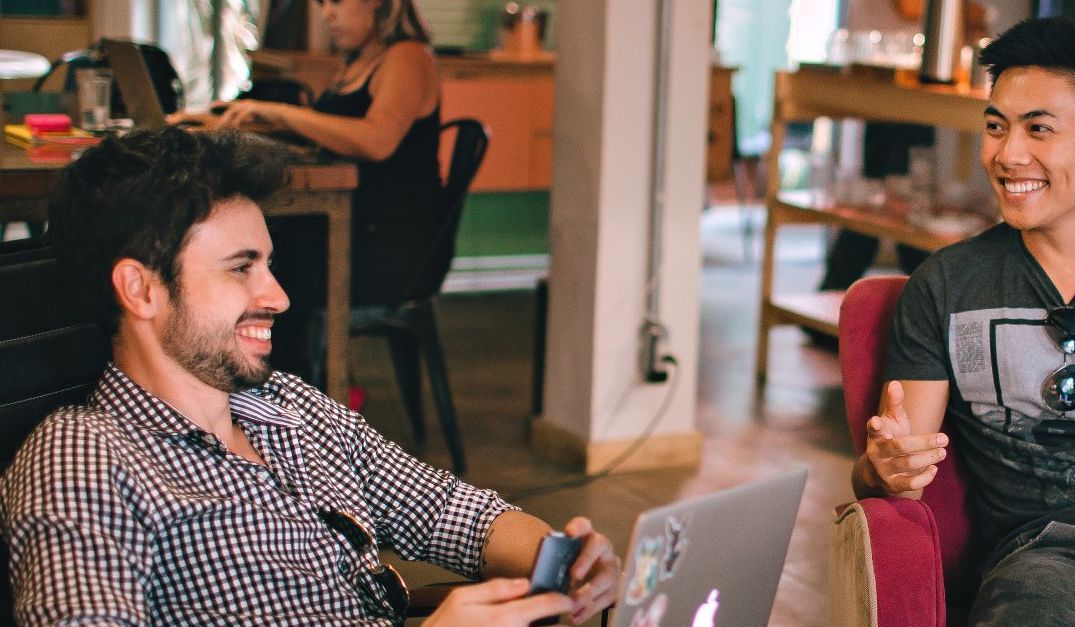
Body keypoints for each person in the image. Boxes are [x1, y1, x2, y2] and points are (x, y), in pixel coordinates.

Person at [0, 128, 618, 625]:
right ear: (141, 289)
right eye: (241, 269)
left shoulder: (289, 406)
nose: (279, 296)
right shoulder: (82, 460)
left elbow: (451, 512)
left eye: (267, 264)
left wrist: (560, 562)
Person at [852, 17, 1075, 625]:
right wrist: (880, 470)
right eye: (996, 127)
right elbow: (895, 470)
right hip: (1046, 559)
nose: (1008, 155)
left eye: (1039, 129)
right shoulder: (947, 286)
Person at [170, 0, 445, 379]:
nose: (326, 14)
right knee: (253, 254)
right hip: (355, 228)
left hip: (389, 246)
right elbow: (331, 131)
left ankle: (281, 393)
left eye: (336, 2)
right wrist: (226, 121)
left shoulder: (408, 57)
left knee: (263, 266)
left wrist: (280, 113)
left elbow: (377, 139)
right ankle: (258, 386)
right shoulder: (360, 59)